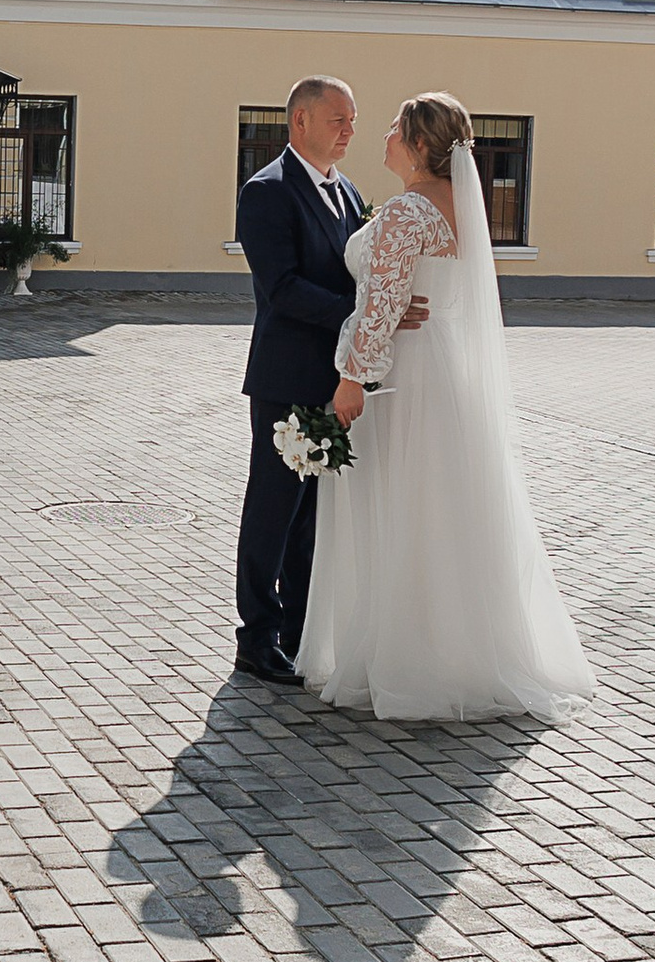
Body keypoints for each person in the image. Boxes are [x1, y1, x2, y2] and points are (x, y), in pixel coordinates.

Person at [297, 87, 595, 724]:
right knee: (442, 510)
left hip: (405, 379)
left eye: (392, 127)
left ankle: (407, 658)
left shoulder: (408, 212)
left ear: (415, 145)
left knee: (402, 508)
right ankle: (461, 651)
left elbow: (380, 309)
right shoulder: (461, 205)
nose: (381, 136)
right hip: (447, 375)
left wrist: (351, 381)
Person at [231, 74, 424, 684]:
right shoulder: (266, 192)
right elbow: (281, 288)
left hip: (338, 377)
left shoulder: (349, 191)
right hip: (287, 376)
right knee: (274, 507)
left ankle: (299, 632)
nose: (349, 131)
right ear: (301, 121)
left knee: (313, 515)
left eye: (354, 120)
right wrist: (362, 314)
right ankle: (255, 637)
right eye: (338, 119)